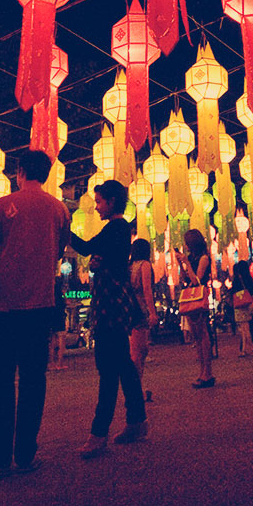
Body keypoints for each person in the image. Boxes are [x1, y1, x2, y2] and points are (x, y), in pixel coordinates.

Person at [0, 148, 71, 477]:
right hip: (41, 305)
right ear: (44, 174)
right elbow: (58, 253)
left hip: (3, 305)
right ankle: (26, 454)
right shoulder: (59, 209)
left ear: (19, 172)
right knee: (33, 380)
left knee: (0, 380)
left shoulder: (2, 205)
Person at [69, 180, 147, 458]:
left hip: (110, 307)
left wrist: (64, 231)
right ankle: (137, 421)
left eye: (100, 201)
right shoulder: (119, 229)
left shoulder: (116, 227)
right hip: (114, 305)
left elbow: (88, 249)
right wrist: (96, 260)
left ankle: (98, 433)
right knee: (123, 364)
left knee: (107, 366)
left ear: (112, 201)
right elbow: (96, 257)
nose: (97, 206)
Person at [176, 229, 214, 387]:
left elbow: (197, 280)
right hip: (190, 296)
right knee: (196, 338)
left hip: (199, 296)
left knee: (203, 336)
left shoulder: (204, 258)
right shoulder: (191, 258)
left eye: (186, 241)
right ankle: (202, 371)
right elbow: (186, 279)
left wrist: (186, 263)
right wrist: (181, 264)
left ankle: (208, 372)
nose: (185, 245)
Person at [129, 238, 157, 399]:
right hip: (139, 310)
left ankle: (136, 387)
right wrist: (152, 312)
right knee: (138, 353)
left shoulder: (130, 266)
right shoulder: (144, 265)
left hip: (130, 310)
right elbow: (146, 288)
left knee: (139, 350)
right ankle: (135, 390)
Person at [232, 260, 253, 355]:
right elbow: (251, 291)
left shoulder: (236, 279)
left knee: (243, 329)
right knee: (250, 327)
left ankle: (243, 349)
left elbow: (233, 292)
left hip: (239, 305)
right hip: (247, 304)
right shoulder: (248, 278)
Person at [50, 273, 68, 371]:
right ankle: (60, 363)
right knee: (61, 340)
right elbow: (67, 302)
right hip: (60, 317)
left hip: (52, 317)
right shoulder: (61, 296)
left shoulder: (51, 295)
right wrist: (64, 294)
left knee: (52, 341)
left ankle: (51, 363)